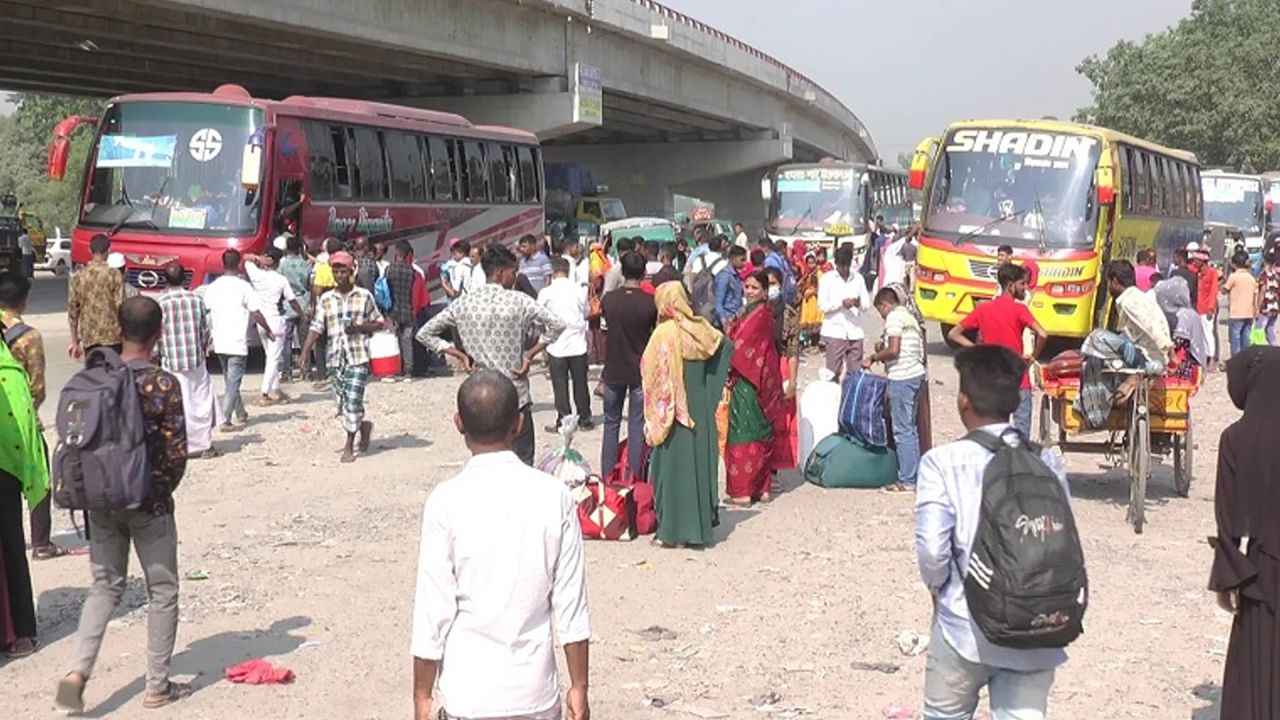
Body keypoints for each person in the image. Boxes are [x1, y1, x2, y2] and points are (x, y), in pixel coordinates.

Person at [411, 369, 590, 720]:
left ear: (458, 423)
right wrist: (579, 686)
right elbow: (572, 604)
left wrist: (422, 695)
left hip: (469, 695)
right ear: (519, 424)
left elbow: (433, 609)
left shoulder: (445, 501)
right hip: (535, 694)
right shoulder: (554, 496)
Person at [916, 345, 1070, 720]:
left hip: (963, 625)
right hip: (1034, 627)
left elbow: (933, 550)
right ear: (1015, 402)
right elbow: (1062, 540)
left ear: (963, 401)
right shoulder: (1047, 460)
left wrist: (939, 591)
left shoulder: (941, 462)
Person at [55, 296, 191, 712]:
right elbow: (176, 453)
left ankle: (76, 675)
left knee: (105, 587)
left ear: (118, 330)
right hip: (149, 503)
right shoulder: (163, 384)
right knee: (162, 590)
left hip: (101, 500)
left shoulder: (95, 378)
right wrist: (160, 492)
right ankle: (157, 687)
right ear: (159, 334)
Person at [418, 245, 566, 466]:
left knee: (485, 459)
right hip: (515, 392)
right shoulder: (519, 301)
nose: (515, 277)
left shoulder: (464, 303)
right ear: (500, 273)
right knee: (523, 461)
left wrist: (459, 354)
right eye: (513, 272)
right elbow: (558, 324)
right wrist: (529, 354)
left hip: (481, 396)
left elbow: (425, 333)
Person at [1209, 345, 1280, 720]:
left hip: (1261, 571)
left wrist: (1228, 579)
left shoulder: (1235, 439)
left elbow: (1229, 517)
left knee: (1256, 659)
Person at [643, 283, 729, 548]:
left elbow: (649, 371)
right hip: (698, 407)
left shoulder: (663, 333)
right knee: (698, 465)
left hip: (672, 411)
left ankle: (671, 533)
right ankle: (698, 530)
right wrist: (709, 391)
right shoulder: (700, 329)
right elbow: (726, 347)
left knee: (671, 469)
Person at [0, 275, 48, 661]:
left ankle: (20, 628)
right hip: (9, 458)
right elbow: (36, 392)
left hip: (6, 456)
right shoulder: (26, 336)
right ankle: (21, 629)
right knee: (11, 542)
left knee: (11, 542)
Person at [0, 272, 64, 561]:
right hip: (22, 422)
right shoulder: (29, 336)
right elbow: (37, 387)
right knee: (39, 474)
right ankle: (41, 543)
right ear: (24, 302)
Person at [300, 252, 386, 463]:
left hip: (358, 356)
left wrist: (359, 327)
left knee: (353, 400)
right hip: (335, 358)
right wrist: (305, 352)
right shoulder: (326, 299)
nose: (339, 276)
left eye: (343, 271)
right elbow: (317, 326)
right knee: (342, 403)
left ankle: (349, 444)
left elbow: (379, 322)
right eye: (336, 272)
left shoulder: (364, 296)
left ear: (352, 271)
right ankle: (363, 426)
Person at [948, 264, 1048, 438]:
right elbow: (1043, 334)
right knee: (1021, 436)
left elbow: (953, 333)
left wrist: (978, 349)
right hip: (1018, 380)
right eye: (1022, 283)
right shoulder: (1019, 310)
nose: (1025, 288)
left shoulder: (983, 309)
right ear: (1011, 285)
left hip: (991, 381)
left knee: (991, 434)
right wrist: (1033, 357)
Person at [722, 271, 784, 507]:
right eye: (747, 287)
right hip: (761, 378)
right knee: (761, 429)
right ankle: (761, 488)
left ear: (765, 291)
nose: (749, 292)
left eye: (754, 288)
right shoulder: (755, 312)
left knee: (743, 430)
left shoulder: (759, 315)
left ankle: (743, 492)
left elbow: (739, 346)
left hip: (750, 379)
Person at [864, 286, 929, 493]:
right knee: (910, 428)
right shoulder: (909, 317)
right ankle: (914, 475)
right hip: (916, 374)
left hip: (902, 376)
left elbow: (894, 350)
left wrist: (873, 357)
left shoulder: (893, 318)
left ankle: (907, 480)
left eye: (880, 311)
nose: (882, 316)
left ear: (885, 305)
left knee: (902, 430)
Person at [600, 251, 657, 480]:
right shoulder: (650, 303)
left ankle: (607, 476)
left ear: (622, 272)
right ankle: (632, 478)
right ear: (644, 273)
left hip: (613, 368)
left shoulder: (609, 300)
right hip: (639, 370)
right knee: (636, 425)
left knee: (610, 424)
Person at [202, 249, 273, 431]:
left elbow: (206, 314)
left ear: (222, 264)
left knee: (230, 380)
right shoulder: (244, 287)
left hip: (219, 340)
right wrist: (268, 329)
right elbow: (256, 313)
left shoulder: (213, 287)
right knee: (233, 381)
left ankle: (240, 412)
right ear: (239, 264)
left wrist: (206, 338)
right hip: (237, 341)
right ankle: (225, 419)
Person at [156, 263, 220, 459]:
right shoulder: (196, 300)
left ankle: (180, 445)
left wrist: (158, 355)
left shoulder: (161, 303)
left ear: (165, 280)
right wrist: (204, 346)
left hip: (172, 361)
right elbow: (204, 329)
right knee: (200, 402)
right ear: (184, 279)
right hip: (195, 359)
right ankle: (204, 444)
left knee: (177, 403)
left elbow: (158, 334)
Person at [539, 257, 593, 432]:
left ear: (553, 272)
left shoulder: (546, 292)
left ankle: (564, 420)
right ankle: (584, 419)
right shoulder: (579, 290)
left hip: (557, 344)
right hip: (577, 342)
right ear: (568, 271)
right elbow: (586, 312)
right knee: (581, 383)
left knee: (560, 385)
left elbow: (539, 314)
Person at [244, 249, 304, 403]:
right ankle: (264, 393)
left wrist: (258, 258)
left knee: (270, 356)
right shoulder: (281, 280)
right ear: (277, 263)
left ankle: (276, 390)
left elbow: (245, 258)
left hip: (261, 321)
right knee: (273, 358)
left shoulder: (256, 275)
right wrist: (302, 315)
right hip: (276, 321)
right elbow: (292, 301)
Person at [763, 266, 800, 473]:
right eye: (767, 284)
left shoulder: (789, 314)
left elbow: (793, 350)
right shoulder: (753, 312)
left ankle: (774, 470)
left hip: (780, 368)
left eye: (773, 284)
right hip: (759, 371)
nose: (771, 289)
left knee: (779, 421)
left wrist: (792, 381)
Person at [1107, 260, 1175, 368]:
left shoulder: (1129, 301)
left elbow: (1150, 324)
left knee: (1096, 338)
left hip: (1148, 356)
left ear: (1115, 281)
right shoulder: (1136, 296)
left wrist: (1169, 350)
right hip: (1148, 352)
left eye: (1109, 282)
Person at [817, 244, 872, 379]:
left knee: (855, 374)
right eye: (842, 266)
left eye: (847, 265)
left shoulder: (858, 279)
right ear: (836, 264)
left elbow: (866, 305)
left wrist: (858, 304)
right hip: (834, 331)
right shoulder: (827, 279)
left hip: (854, 331)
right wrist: (841, 304)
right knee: (832, 373)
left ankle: (849, 393)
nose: (845, 269)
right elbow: (822, 306)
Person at [66, 233, 124, 360]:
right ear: (108, 250)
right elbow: (121, 305)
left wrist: (74, 341)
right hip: (112, 337)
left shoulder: (78, 276)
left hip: (89, 337)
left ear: (89, 250)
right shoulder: (114, 274)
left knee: (93, 370)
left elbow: (73, 311)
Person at [385, 241, 425, 382]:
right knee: (407, 341)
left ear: (396, 253)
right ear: (408, 255)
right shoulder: (412, 272)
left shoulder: (389, 269)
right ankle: (408, 371)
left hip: (393, 310)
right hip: (408, 310)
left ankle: (396, 370)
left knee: (394, 340)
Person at [1154, 276, 1208, 379]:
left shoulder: (1160, 315)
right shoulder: (1190, 315)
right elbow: (1197, 346)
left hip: (1164, 369)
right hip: (1185, 369)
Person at [278, 235, 312, 382]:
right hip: (303, 304)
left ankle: (287, 373)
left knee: (287, 341)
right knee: (305, 340)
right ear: (299, 248)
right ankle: (306, 371)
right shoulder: (306, 265)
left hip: (288, 305)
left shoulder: (282, 265)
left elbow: (279, 286)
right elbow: (310, 285)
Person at [1223, 250, 1258, 358]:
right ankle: (1245, 361)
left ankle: (1236, 363)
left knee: (1235, 342)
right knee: (1245, 341)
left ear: (1234, 264)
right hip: (1248, 313)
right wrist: (1256, 310)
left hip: (1236, 313)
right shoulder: (1251, 278)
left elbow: (1224, 290)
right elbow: (1255, 296)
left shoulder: (1233, 277)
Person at [712, 246, 747, 329]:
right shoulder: (724, 276)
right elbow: (718, 302)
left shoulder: (735, 275)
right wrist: (723, 320)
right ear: (733, 258)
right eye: (742, 260)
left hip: (735, 318)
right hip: (726, 319)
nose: (744, 263)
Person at [1258, 249, 1280, 345]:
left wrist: (1257, 306)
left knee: (1258, 329)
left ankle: (1259, 348)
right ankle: (1273, 348)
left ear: (1264, 261)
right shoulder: (1276, 275)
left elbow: (1262, 291)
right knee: (1270, 328)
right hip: (1275, 306)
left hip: (1266, 306)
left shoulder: (1264, 275)